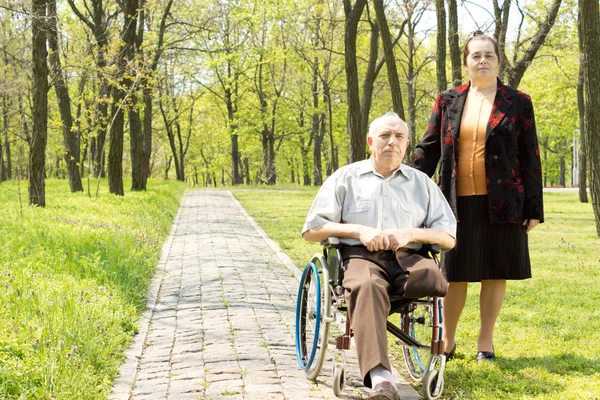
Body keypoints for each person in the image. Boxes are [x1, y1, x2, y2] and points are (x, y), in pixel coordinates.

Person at [302, 112, 456, 400]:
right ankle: (381, 379)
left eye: (399, 137)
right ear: (371, 141)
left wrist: (410, 234)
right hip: (360, 257)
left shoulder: (421, 183)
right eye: (385, 136)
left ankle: (380, 314)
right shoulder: (346, 177)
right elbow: (312, 229)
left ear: (407, 144)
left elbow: (447, 236)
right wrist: (359, 231)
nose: (392, 142)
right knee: (369, 287)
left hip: (408, 256)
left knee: (431, 279)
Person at [412, 31, 544, 362]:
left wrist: (533, 208)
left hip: (503, 201)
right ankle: (449, 341)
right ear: (466, 62)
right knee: (454, 273)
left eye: (489, 55)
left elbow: (530, 156)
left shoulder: (518, 101)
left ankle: (486, 343)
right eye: (476, 55)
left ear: (498, 61)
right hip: (455, 203)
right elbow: (428, 149)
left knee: (495, 270)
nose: (482, 60)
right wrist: (403, 182)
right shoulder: (448, 100)